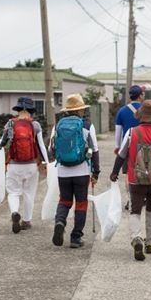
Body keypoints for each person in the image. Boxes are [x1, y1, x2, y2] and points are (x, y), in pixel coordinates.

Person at [109, 100, 151, 261]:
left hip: (136, 179)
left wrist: (114, 173)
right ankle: (150, 243)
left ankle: (136, 238)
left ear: (141, 116)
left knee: (135, 210)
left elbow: (121, 154)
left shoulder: (132, 132)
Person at [50, 94, 100, 249]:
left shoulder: (57, 125)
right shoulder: (87, 125)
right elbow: (95, 150)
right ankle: (75, 237)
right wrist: (96, 172)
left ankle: (60, 222)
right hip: (81, 171)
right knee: (81, 203)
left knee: (64, 201)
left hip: (63, 171)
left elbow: (51, 149)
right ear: (81, 110)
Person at [0, 97, 49, 233]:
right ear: (30, 110)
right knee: (29, 193)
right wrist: (46, 162)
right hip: (32, 165)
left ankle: (15, 212)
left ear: (18, 109)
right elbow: (41, 146)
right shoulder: (35, 125)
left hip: (14, 165)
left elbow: (2, 143)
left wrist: (0, 147)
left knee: (13, 192)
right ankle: (26, 221)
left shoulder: (10, 123)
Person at [114, 85, 145, 209]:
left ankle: (131, 199)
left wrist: (118, 147)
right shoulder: (146, 110)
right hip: (145, 145)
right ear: (140, 95)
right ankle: (143, 197)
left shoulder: (122, 111)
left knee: (128, 174)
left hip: (127, 146)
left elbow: (118, 131)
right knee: (144, 171)